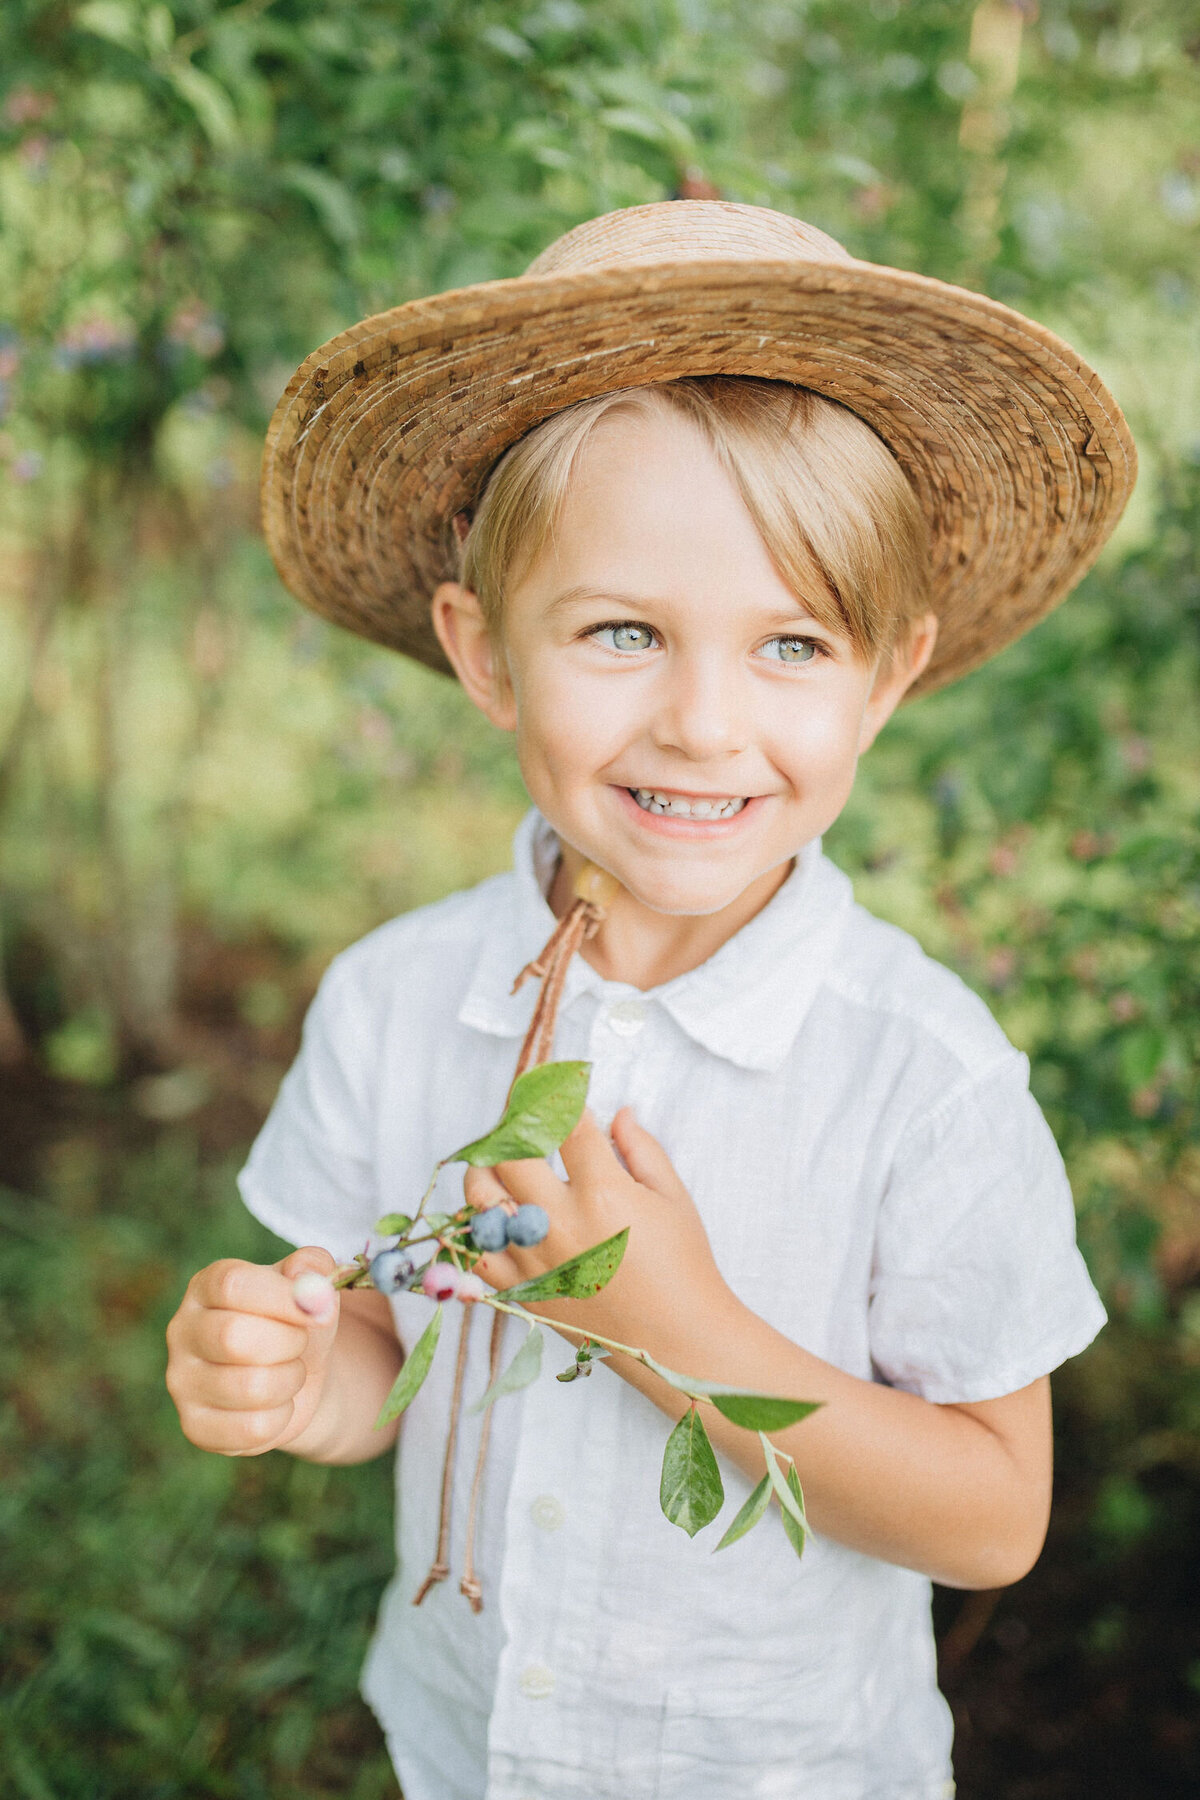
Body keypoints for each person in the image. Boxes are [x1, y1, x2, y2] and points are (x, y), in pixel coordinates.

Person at [165, 201, 1136, 1800]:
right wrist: (281, 1374)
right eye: (622, 631)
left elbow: (992, 1515)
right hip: (470, 1753)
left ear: (885, 676)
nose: (701, 722)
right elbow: (365, 1340)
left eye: (789, 645)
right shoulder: (396, 996)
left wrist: (675, 1329)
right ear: (486, 656)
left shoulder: (921, 1072)